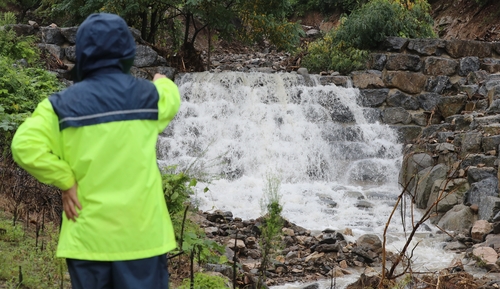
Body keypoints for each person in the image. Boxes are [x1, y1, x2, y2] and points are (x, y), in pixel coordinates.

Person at [11, 13, 180, 289]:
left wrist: (65, 179)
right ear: (127, 51)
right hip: (142, 240)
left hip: (86, 240)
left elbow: (23, 145)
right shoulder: (149, 97)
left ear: (83, 54)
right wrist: (162, 80)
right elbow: (171, 98)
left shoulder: (59, 106)